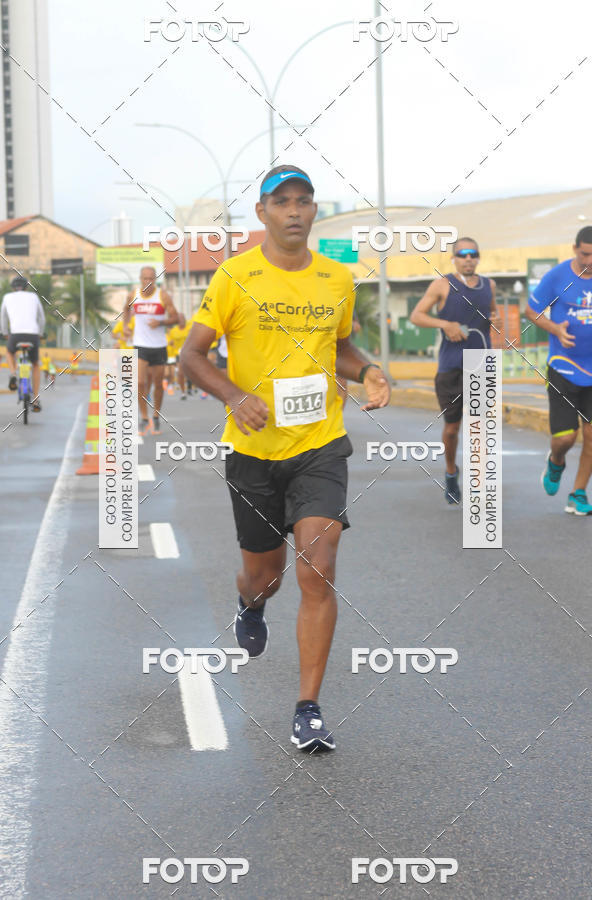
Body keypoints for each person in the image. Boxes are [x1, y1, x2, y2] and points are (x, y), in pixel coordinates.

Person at [181, 164, 390, 752]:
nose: (295, 210)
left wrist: (369, 369)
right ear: (263, 214)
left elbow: (342, 347)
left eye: (304, 201)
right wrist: (234, 395)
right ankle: (249, 603)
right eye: (282, 202)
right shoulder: (234, 276)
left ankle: (308, 708)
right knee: (266, 576)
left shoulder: (336, 278)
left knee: (317, 566)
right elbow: (191, 357)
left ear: (313, 210)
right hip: (253, 453)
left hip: (320, 445)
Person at [410, 237, 500, 504]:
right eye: (463, 254)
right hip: (450, 367)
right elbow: (417, 315)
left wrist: (494, 319)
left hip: (481, 364)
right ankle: (450, 472)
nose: (468, 258)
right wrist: (445, 324)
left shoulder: (489, 285)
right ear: (454, 258)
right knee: (452, 429)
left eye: (473, 254)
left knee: (480, 428)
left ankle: (478, 482)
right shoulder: (442, 284)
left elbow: (492, 312)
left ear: (479, 257)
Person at [526, 225, 592, 515]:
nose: (591, 260)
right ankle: (556, 461)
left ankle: (578, 493)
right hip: (563, 367)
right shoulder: (557, 276)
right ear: (574, 249)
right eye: (585, 254)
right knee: (566, 438)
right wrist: (555, 328)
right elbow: (531, 311)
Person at [122, 266, 179, 435]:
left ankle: (156, 416)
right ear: (140, 279)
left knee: (158, 385)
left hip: (159, 346)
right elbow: (126, 309)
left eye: (151, 279)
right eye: (145, 278)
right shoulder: (133, 295)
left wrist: (160, 323)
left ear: (155, 280)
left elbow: (175, 317)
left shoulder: (163, 296)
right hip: (140, 345)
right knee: (140, 382)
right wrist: (125, 326)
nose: (148, 281)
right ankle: (144, 418)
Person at [0, 275, 45, 411]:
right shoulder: (34, 297)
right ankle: (36, 400)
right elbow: (41, 318)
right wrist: (40, 333)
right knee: (36, 364)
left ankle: (13, 373)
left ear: (13, 287)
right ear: (26, 287)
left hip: (15, 335)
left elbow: (3, 317)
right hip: (32, 335)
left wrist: (5, 333)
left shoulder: (7, 297)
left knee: (9, 352)